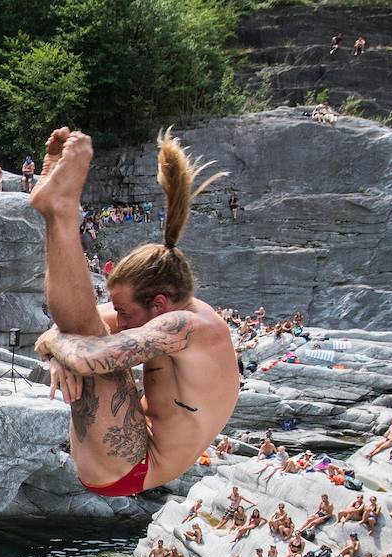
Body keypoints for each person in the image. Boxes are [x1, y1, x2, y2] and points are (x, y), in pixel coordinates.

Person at [32, 129, 238, 497]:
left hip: (132, 467)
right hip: (121, 450)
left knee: (88, 336)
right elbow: (65, 336)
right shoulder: (166, 314)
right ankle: (57, 210)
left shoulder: (188, 326)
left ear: (159, 304)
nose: (121, 320)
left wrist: (57, 346)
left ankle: (61, 212)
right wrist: (59, 352)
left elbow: (88, 355)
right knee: (83, 332)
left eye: (125, 312)